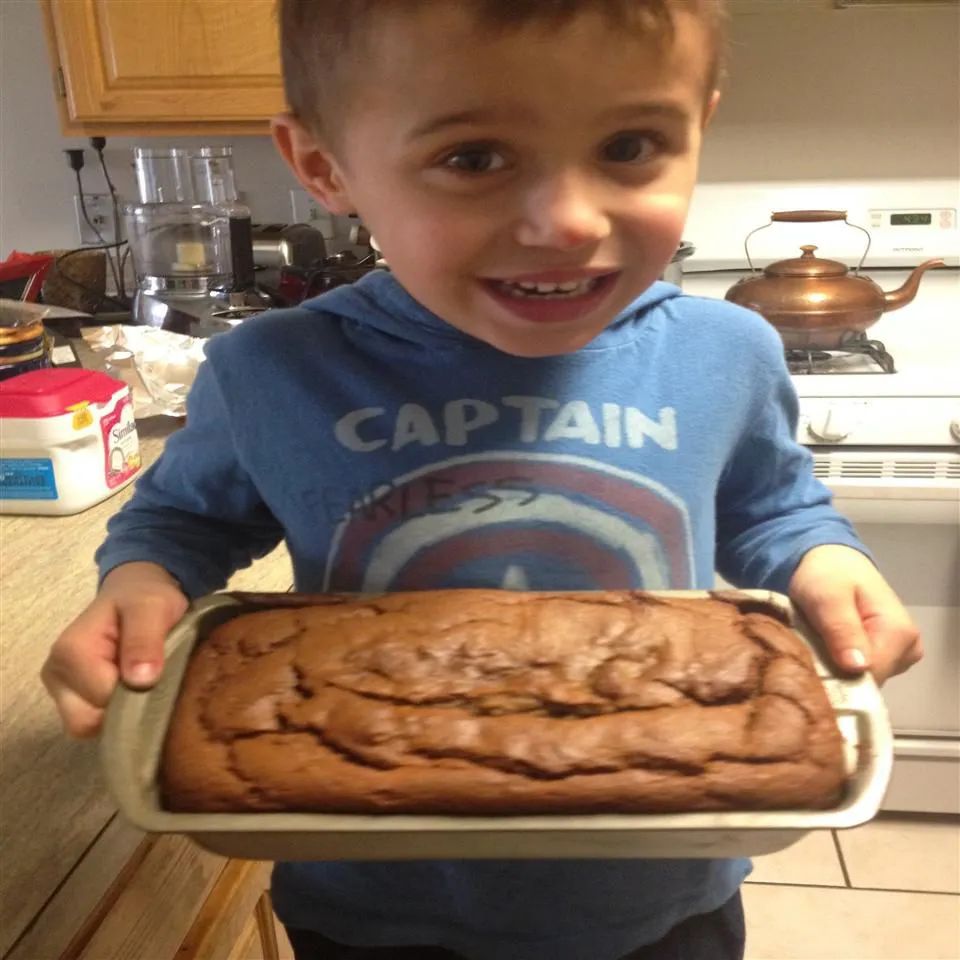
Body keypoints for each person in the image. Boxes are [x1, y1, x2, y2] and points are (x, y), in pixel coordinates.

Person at [42, 2, 923, 958]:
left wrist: (824, 559)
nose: (566, 220)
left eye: (630, 145)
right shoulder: (271, 370)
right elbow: (183, 525)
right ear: (324, 167)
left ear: (699, 126)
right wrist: (138, 585)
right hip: (374, 905)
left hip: (663, 895)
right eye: (474, 158)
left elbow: (772, 508)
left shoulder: (729, 351)